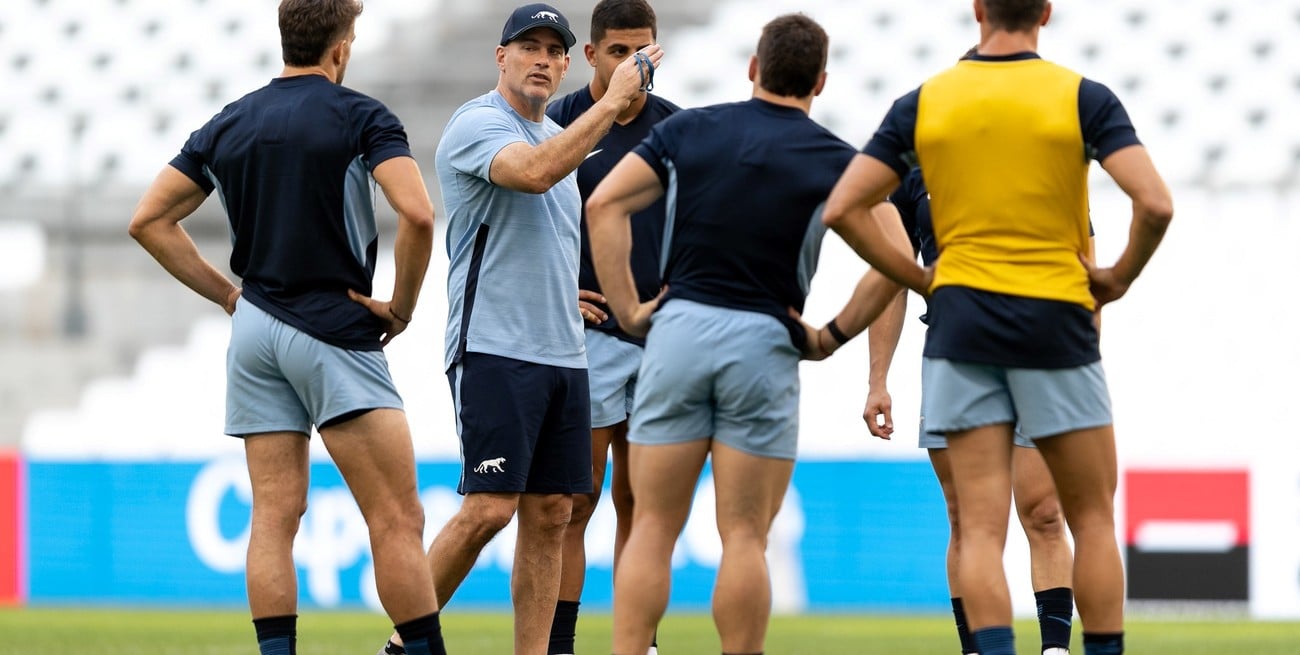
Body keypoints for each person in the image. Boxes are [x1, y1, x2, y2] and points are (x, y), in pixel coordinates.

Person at [821, 0, 1174, 653]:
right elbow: (1154, 203)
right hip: (1054, 330)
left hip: (962, 334)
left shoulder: (926, 105)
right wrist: (1118, 277)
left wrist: (924, 278)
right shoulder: (1081, 98)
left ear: (978, 10)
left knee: (979, 528)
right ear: (1047, 13)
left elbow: (843, 208)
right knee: (1089, 519)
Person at [127, 2, 446, 654]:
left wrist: (227, 295)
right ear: (341, 46)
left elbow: (148, 220)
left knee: (273, 516)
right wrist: (402, 307)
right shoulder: (361, 115)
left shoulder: (231, 120)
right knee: (396, 516)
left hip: (255, 330)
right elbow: (417, 214)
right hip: (332, 326)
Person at [585, 14, 903, 655]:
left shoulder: (690, 130)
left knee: (652, 526)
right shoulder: (835, 159)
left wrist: (633, 312)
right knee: (746, 537)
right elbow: (896, 261)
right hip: (764, 341)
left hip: (677, 334)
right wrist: (831, 336)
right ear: (820, 82)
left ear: (754, 68)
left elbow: (603, 205)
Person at [376, 5, 662, 655]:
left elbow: (544, 225)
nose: (542, 59)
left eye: (553, 50)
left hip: (565, 353)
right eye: (528, 46)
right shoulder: (478, 123)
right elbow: (532, 175)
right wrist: (613, 103)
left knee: (554, 513)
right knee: (490, 508)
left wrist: (564, 292)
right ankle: (401, 644)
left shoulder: (556, 137)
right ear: (500, 57)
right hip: (493, 346)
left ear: (565, 66)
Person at [865, 169, 1076, 655]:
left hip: (1036, 353)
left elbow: (1079, 261)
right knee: (965, 518)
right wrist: (877, 380)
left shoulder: (1041, 149)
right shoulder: (913, 163)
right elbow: (892, 277)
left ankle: (1055, 649)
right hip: (952, 356)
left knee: (1044, 513)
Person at [543, 2, 680, 653]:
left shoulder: (678, 129)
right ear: (592, 55)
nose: (633, 64)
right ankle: (560, 643)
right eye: (620, 51)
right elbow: (515, 226)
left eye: (643, 51)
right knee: (577, 499)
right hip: (586, 339)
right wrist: (557, 289)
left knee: (643, 503)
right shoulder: (555, 124)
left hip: (660, 341)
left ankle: (638, 642)